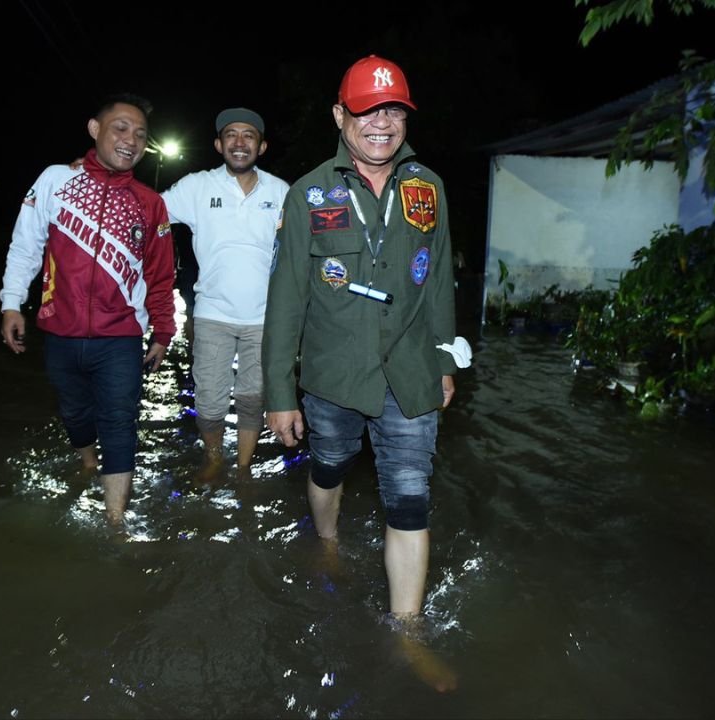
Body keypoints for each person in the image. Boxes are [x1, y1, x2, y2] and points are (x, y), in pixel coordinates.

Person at [262, 56, 463, 691]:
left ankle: (408, 634)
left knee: (410, 495)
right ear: (340, 116)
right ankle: (324, 538)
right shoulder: (308, 193)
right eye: (368, 111)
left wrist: (444, 360)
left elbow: (438, 282)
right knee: (330, 466)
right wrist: (278, 394)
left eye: (395, 110)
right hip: (330, 374)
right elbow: (287, 298)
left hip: (408, 371)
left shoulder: (427, 187)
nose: (383, 123)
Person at [0, 92, 176, 528]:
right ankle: (85, 461)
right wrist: (11, 303)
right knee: (75, 415)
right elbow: (27, 244)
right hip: (60, 332)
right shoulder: (57, 180)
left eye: (140, 134)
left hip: (121, 338)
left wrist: (163, 332)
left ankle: (115, 521)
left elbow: (161, 275)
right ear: (95, 130)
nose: (130, 140)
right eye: (120, 128)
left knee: (119, 421)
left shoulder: (150, 204)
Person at [161, 107, 290, 483]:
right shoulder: (197, 186)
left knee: (253, 398)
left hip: (265, 317)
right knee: (210, 401)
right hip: (213, 312)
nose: (239, 142)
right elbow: (148, 209)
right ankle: (215, 457)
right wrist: (100, 175)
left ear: (261, 146)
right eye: (231, 135)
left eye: (248, 135)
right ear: (219, 144)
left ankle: (245, 467)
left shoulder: (281, 191)